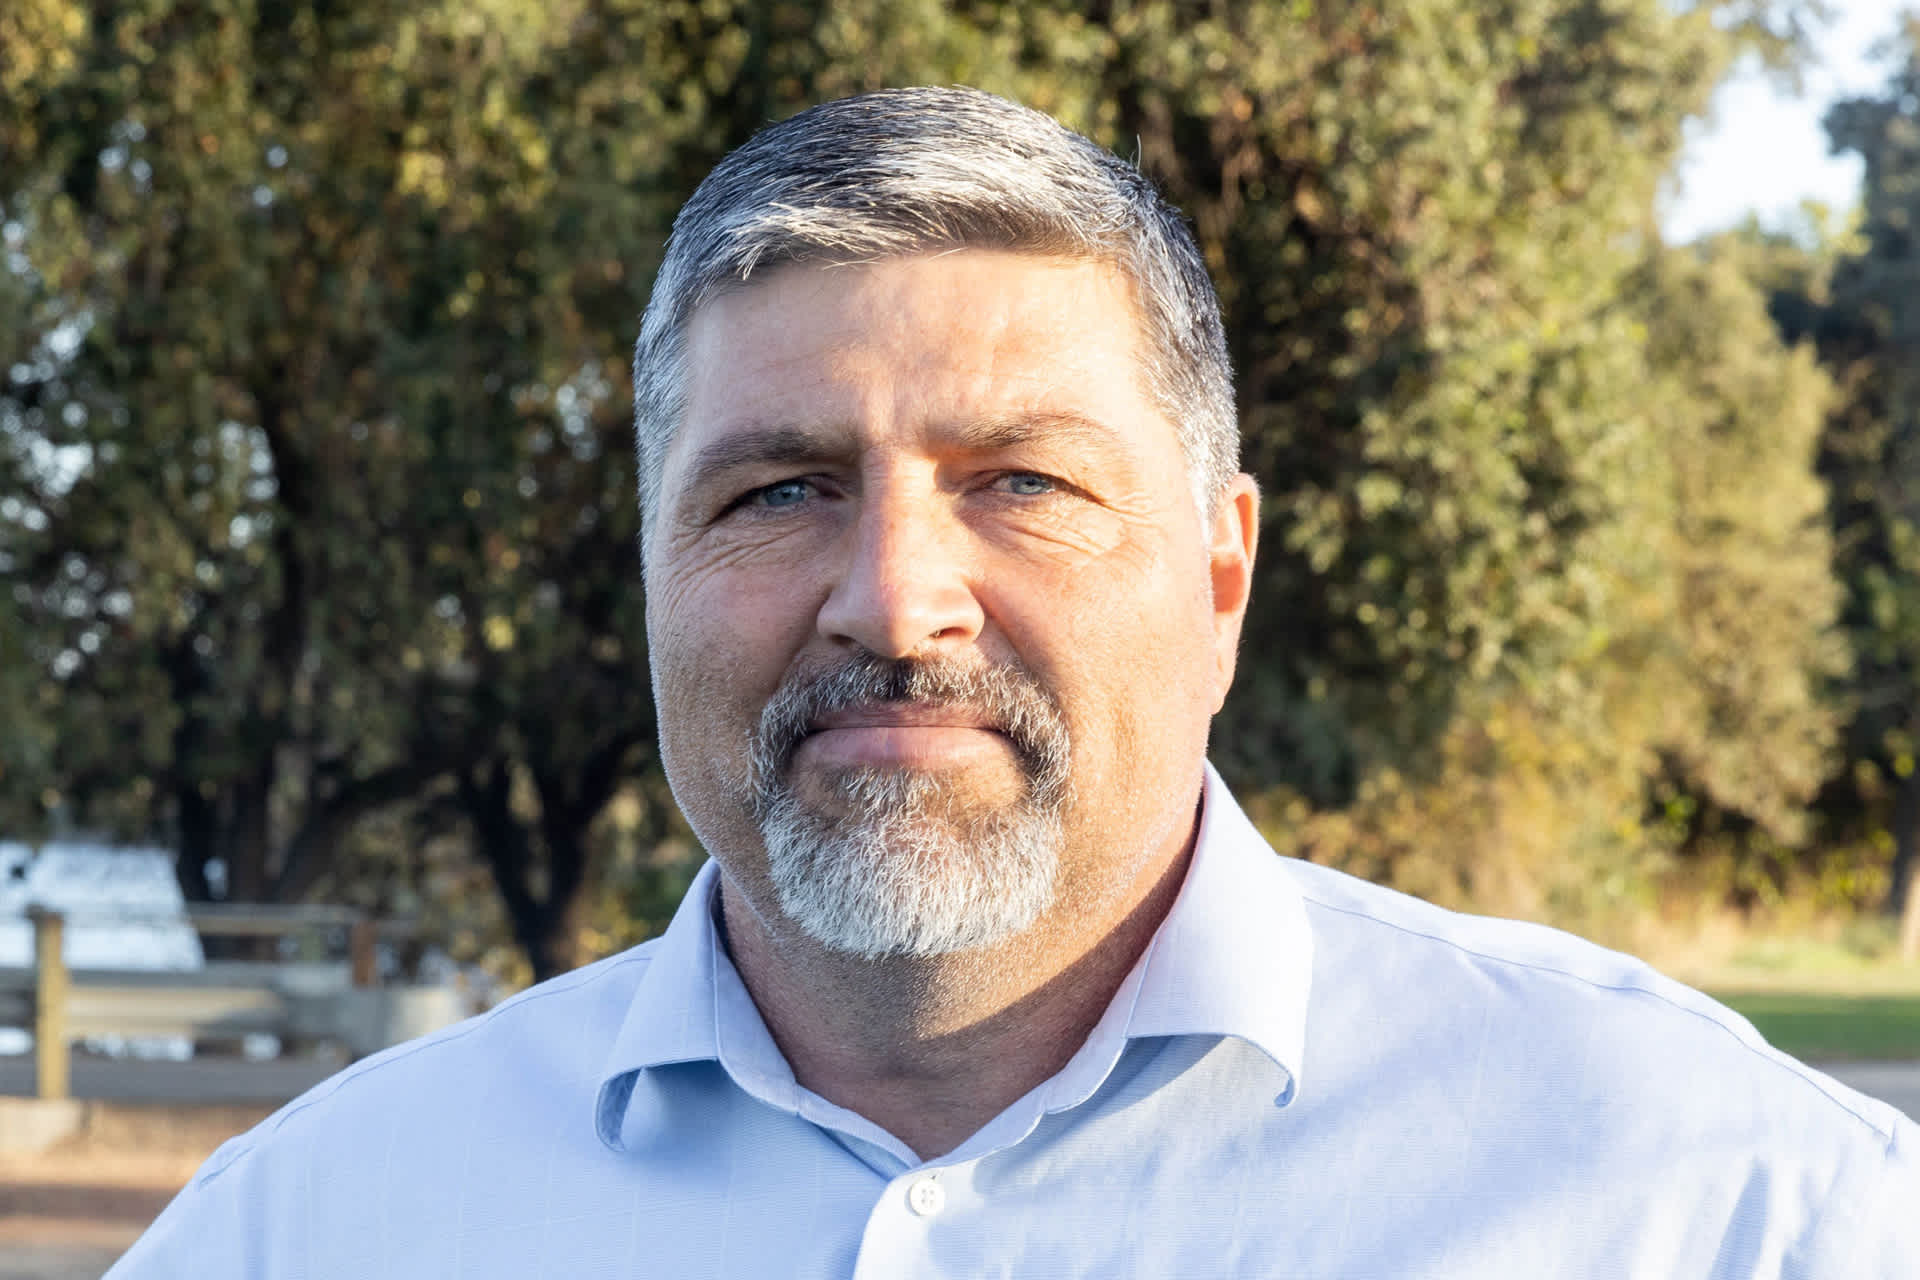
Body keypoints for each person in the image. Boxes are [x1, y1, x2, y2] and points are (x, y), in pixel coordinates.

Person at [111, 87, 1915, 1279]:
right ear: (651, 571)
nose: (895, 604)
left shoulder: (1716, 1203)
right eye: (778, 491)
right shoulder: (314, 1230)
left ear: (1222, 573)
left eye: (1023, 482)